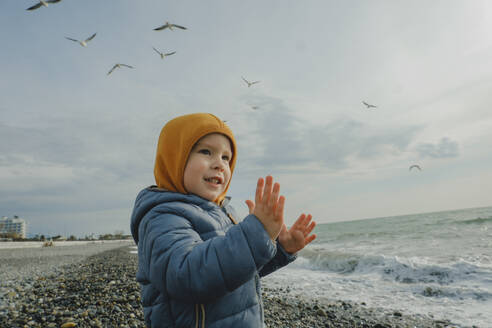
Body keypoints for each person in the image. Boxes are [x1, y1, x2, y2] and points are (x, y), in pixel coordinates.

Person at [130, 113, 316, 327]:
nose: (219, 164)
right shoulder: (162, 216)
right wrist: (254, 235)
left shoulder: (224, 213)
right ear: (174, 157)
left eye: (226, 158)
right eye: (206, 151)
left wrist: (281, 248)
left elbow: (237, 272)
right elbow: (188, 275)